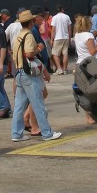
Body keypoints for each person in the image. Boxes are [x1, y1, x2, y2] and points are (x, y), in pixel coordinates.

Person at [10, 9, 61, 142]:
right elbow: (29, 53)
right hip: (29, 75)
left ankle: (16, 133)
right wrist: (39, 48)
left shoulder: (19, 35)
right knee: (38, 104)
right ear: (31, 22)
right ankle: (47, 133)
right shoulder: (29, 35)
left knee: (19, 106)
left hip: (19, 72)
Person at [50, 4, 72, 75]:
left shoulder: (54, 17)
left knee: (55, 54)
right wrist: (69, 38)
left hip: (57, 37)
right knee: (65, 53)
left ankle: (59, 69)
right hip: (66, 37)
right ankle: (65, 69)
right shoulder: (67, 17)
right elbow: (69, 29)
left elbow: (53, 30)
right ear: (62, 9)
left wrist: (51, 39)